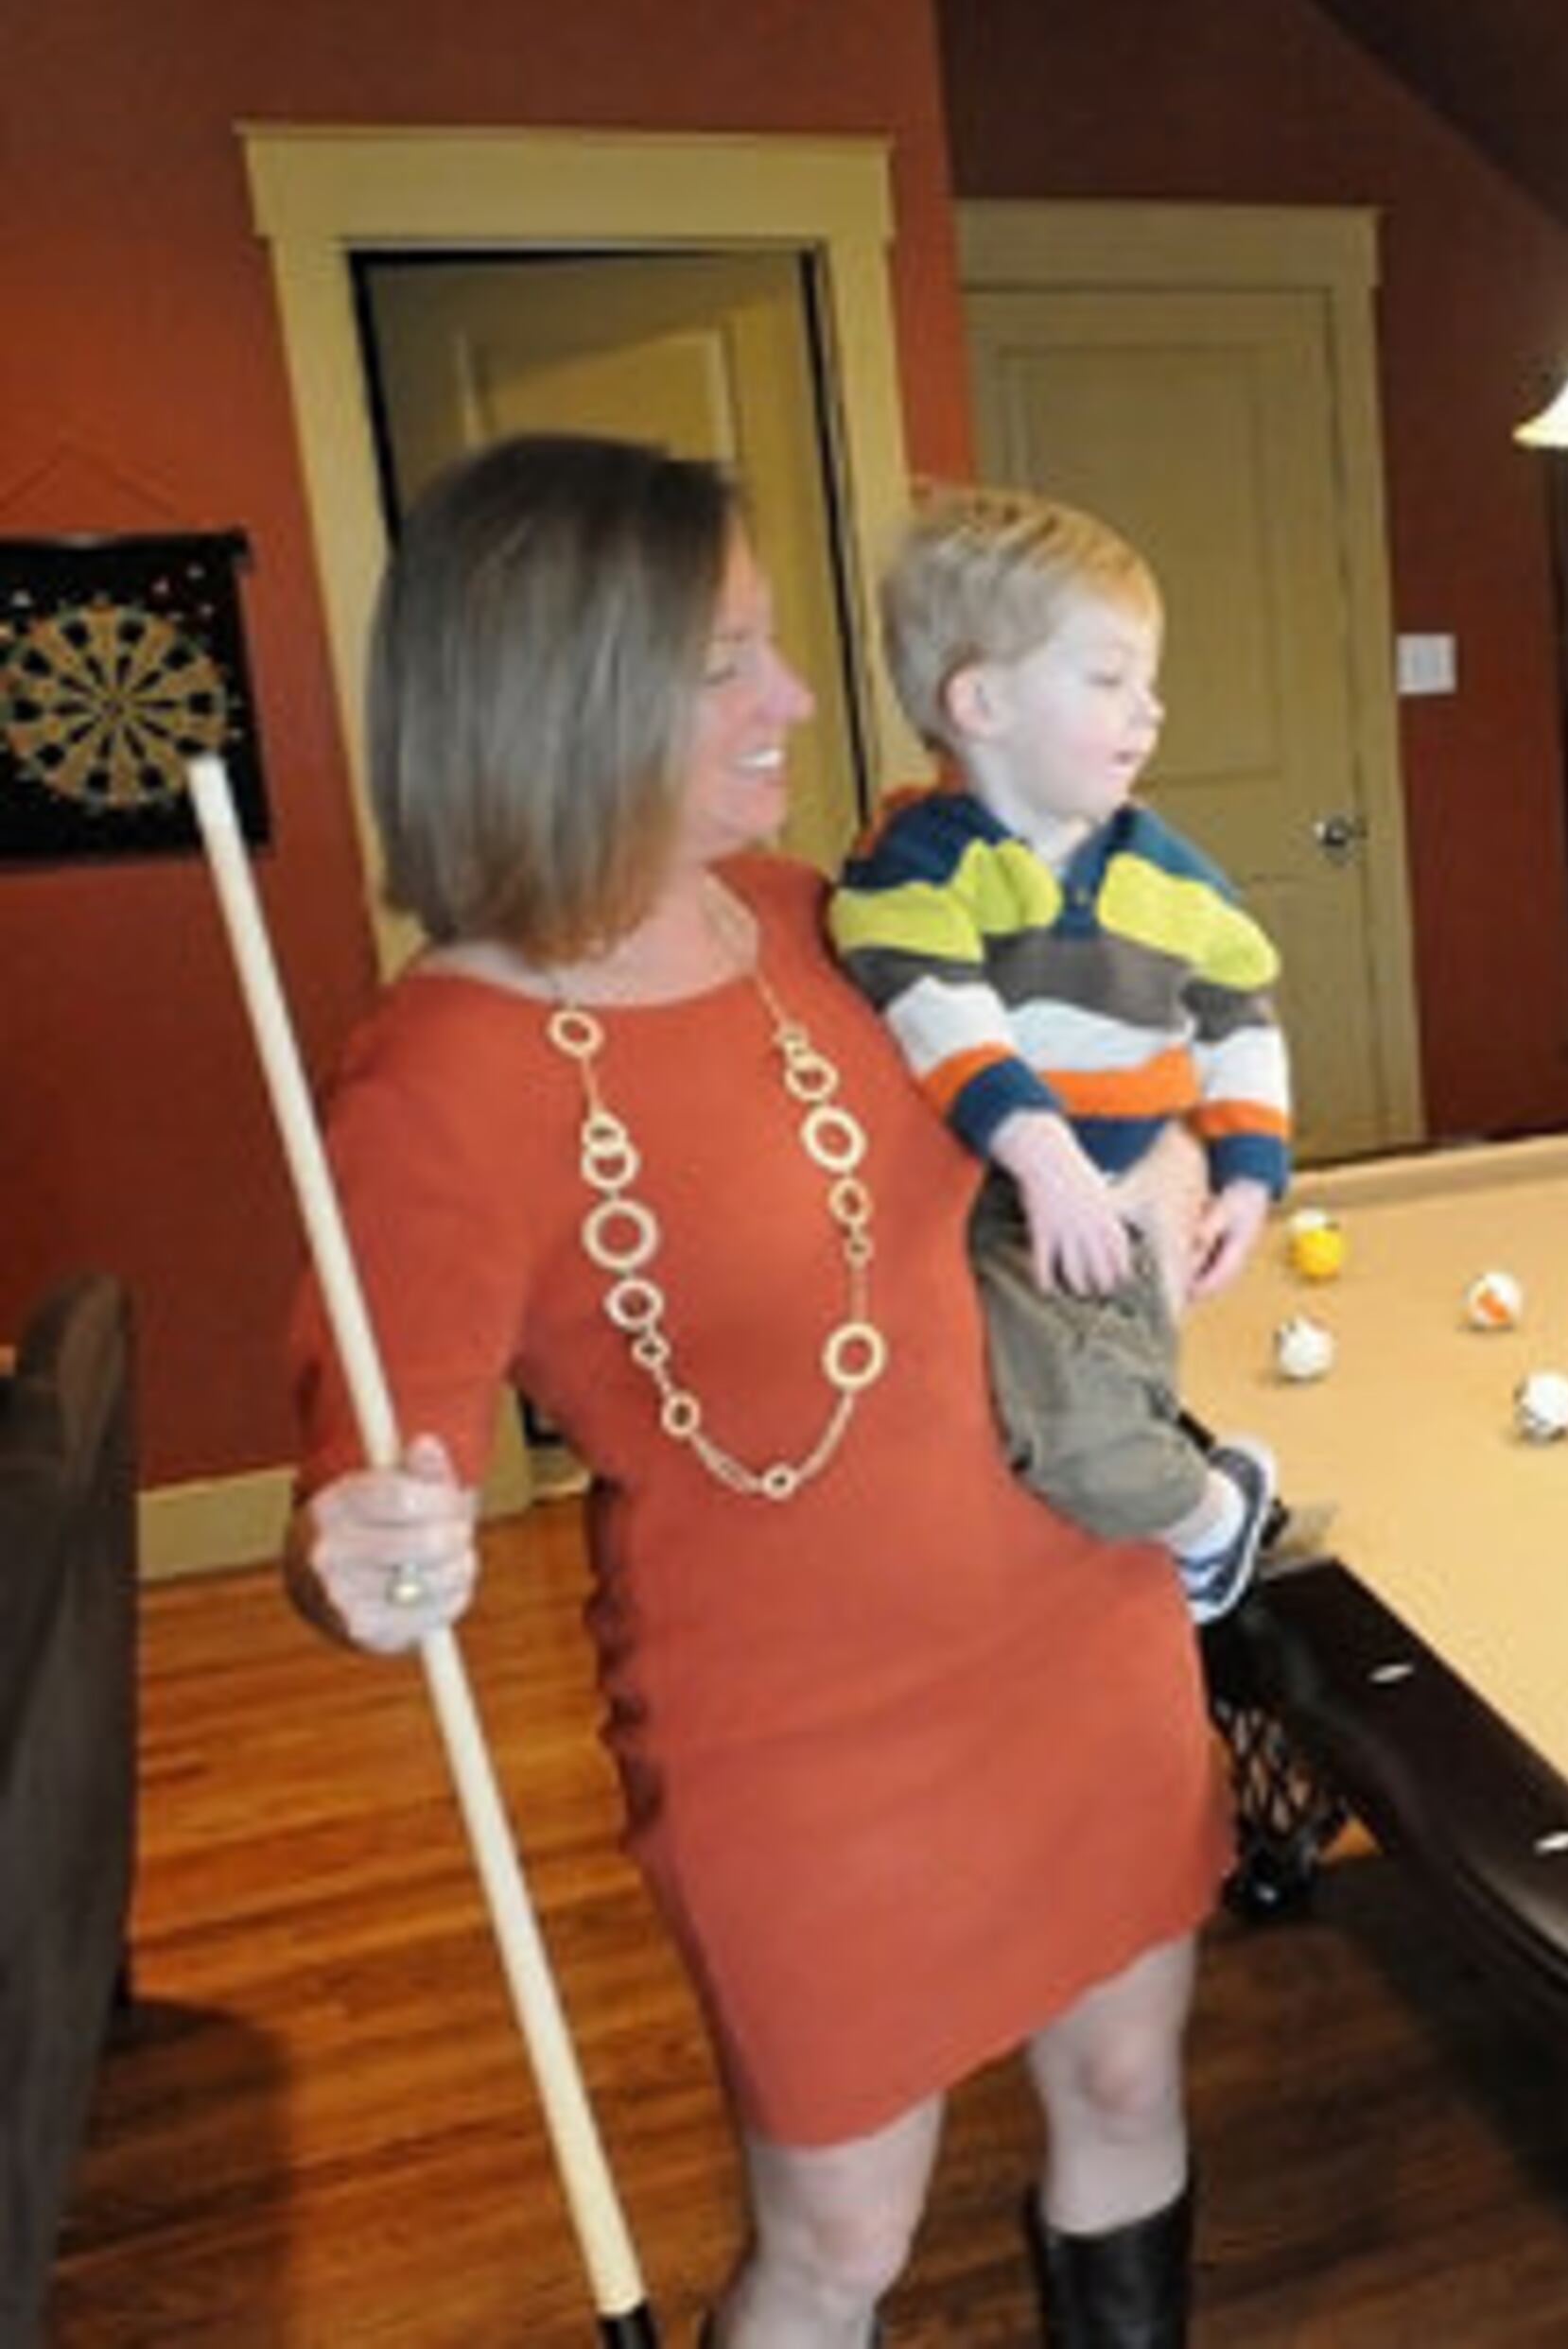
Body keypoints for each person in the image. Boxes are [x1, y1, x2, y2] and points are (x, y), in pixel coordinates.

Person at [287, 435, 1219, 2348]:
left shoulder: (849, 909)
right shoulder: (436, 1078)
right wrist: (368, 1541)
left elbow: (1112, 1045)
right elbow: (374, 1468)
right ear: (576, 698)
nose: (795, 696)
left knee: (1130, 2093)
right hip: (798, 1739)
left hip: (1078, 1618)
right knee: (837, 2251)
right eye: (731, 660)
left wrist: (1185, 1157)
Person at [828, 486, 1289, 1626]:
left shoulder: (1170, 872)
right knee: (1071, 1439)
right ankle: (1213, 1520)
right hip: (1002, 1202)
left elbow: (1242, 1012)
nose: (1152, 711)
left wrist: (1247, 1174)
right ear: (979, 701)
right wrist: (1043, 1159)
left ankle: (1189, 1527)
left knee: (1102, 1415)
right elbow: (942, 1013)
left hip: (1119, 1192)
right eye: (1108, 680)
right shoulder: (916, 862)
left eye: (1149, 681)